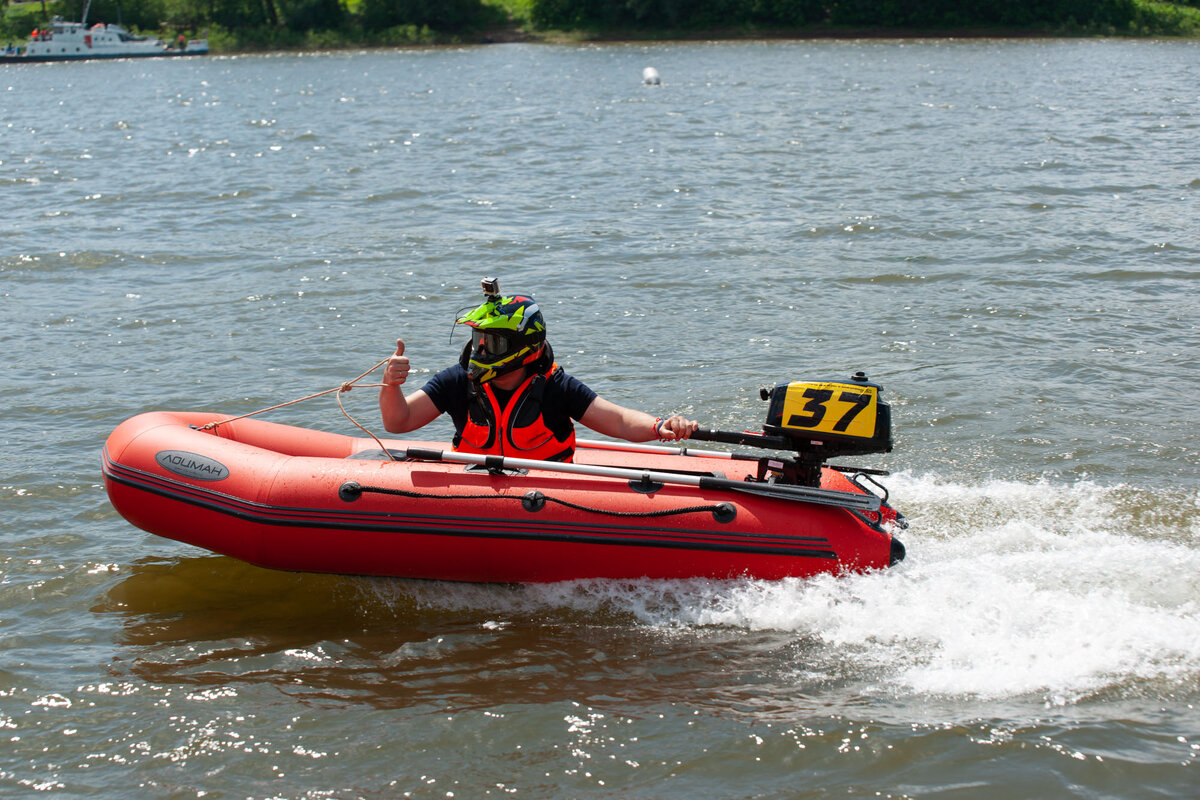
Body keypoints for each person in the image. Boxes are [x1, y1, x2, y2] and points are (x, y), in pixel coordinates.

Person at [379, 280, 698, 462]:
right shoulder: (457, 381)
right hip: (474, 494)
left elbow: (619, 420)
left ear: (525, 347)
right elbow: (398, 421)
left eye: (493, 342)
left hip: (545, 499)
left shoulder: (556, 387)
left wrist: (660, 426)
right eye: (478, 339)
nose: (481, 350)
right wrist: (391, 384)